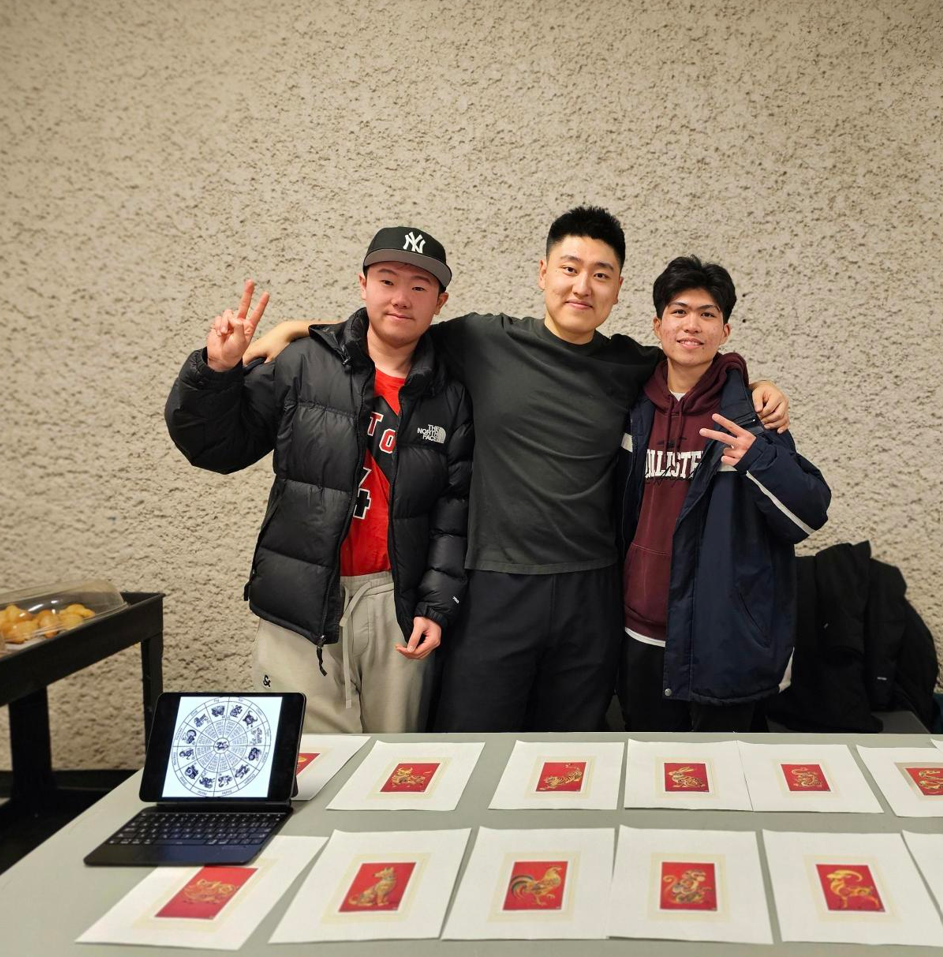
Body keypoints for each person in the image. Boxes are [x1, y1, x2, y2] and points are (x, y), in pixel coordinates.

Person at [243, 207, 789, 732]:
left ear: (618, 289)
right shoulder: (484, 340)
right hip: (494, 586)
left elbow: (696, 360)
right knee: (470, 742)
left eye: (601, 275)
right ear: (543, 273)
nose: (582, 287)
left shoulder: (630, 363)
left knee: (571, 748)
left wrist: (755, 384)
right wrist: (294, 328)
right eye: (570, 269)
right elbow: (394, 326)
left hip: (590, 588)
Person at [165, 226, 473, 733]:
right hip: (300, 598)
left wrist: (436, 605)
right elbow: (214, 447)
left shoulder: (450, 394)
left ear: (440, 302)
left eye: (419, 287)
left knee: (395, 767)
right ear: (362, 284)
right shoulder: (304, 363)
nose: (401, 298)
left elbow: (452, 513)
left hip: (393, 604)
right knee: (304, 766)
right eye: (387, 280)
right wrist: (218, 371)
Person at [617, 256, 830, 732]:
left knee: (728, 788)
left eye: (708, 314)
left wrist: (758, 458)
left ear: (725, 331)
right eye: (679, 311)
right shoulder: (631, 408)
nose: (692, 325)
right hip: (639, 633)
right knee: (647, 782)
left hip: (722, 640)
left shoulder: (750, 414)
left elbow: (809, 515)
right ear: (657, 324)